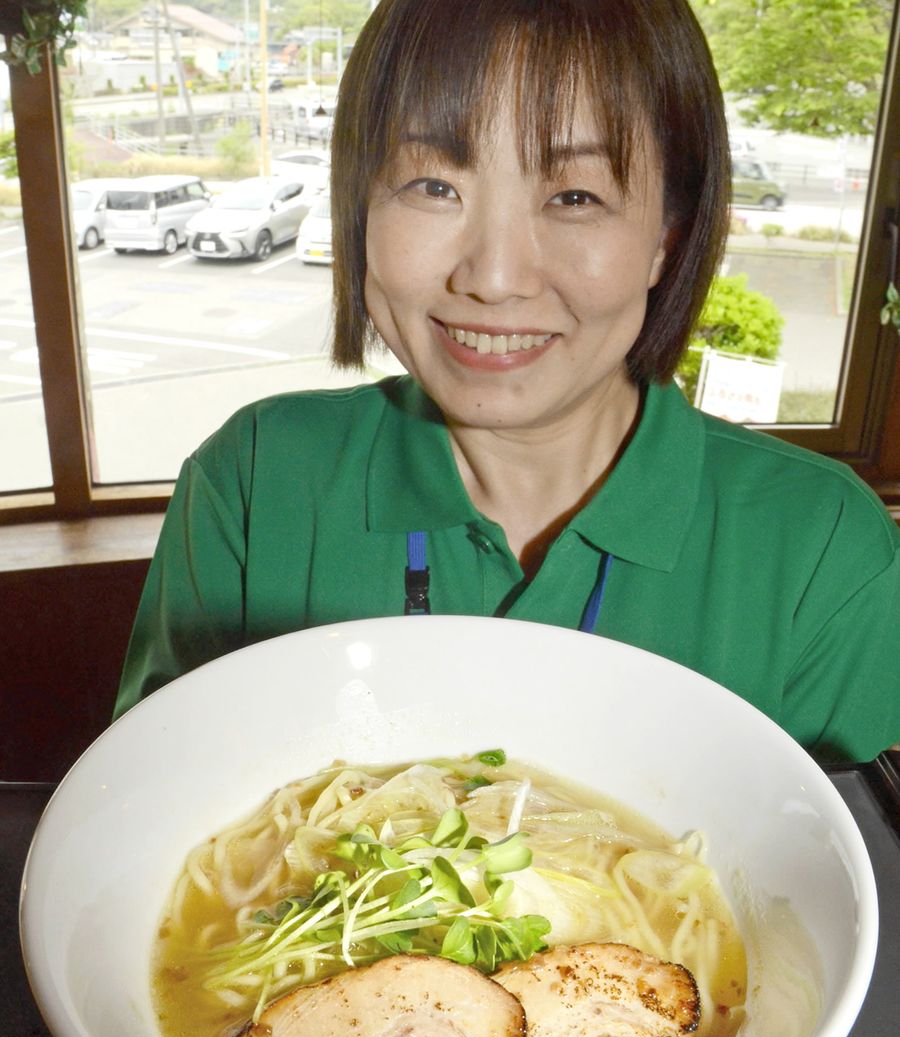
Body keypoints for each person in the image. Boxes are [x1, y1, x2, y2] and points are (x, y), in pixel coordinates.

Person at [115, 0, 900, 762]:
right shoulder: (255, 481)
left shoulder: (822, 551)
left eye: (574, 196)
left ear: (668, 238)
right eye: (433, 187)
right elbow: (155, 827)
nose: (493, 278)